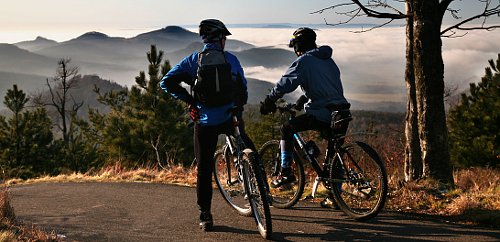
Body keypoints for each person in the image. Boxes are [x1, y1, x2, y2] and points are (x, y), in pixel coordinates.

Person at [160, 19, 256, 231]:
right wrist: (237, 110)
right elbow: (243, 88)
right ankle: (259, 187)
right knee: (247, 149)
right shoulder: (231, 59)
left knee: (204, 169)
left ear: (204, 40)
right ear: (221, 39)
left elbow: (166, 82)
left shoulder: (193, 60)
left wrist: (190, 101)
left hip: (205, 121)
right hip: (230, 117)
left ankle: (205, 214)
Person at [260, 27, 351, 188]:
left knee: (286, 129)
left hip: (324, 112)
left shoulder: (304, 61)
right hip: (342, 111)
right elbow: (325, 86)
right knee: (334, 152)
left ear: (298, 47)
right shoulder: (327, 60)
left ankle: (286, 172)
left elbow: (286, 83)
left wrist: (269, 100)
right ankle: (335, 195)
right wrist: (303, 98)